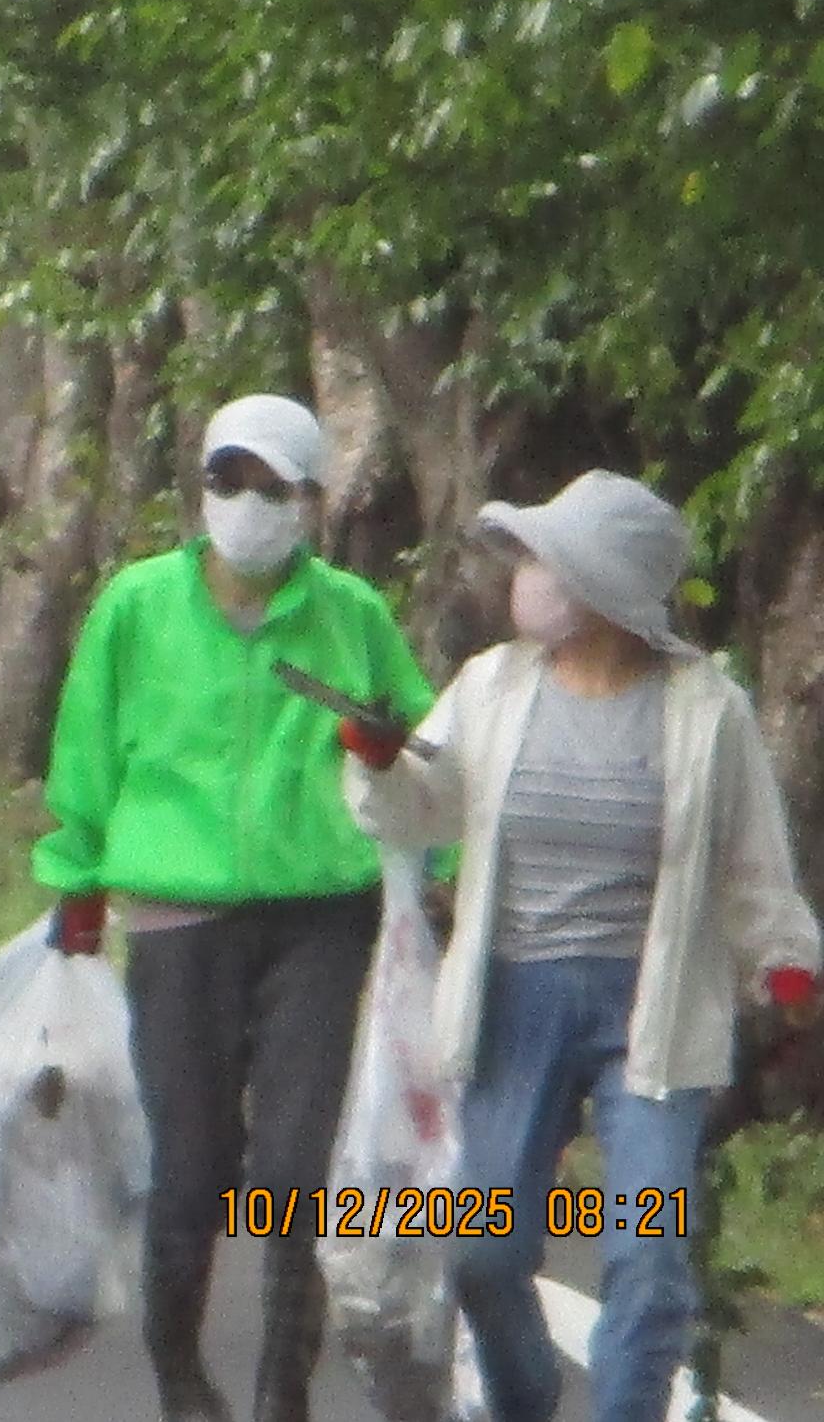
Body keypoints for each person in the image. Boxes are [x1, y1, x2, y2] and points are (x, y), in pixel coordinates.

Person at [341, 470, 822, 1422]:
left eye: (547, 561)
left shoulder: (705, 711)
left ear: (603, 586)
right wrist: (380, 760)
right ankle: (524, 1394)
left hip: (652, 1010)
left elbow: (754, 867)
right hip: (515, 999)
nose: (527, 577)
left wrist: (790, 972)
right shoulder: (493, 687)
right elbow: (420, 810)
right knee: (482, 1251)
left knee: (647, 1252)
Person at [36, 394, 438, 1422]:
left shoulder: (351, 616)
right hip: (177, 914)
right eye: (225, 480)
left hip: (320, 916)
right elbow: (85, 751)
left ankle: (277, 1393)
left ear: (310, 501)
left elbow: (433, 766)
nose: (243, 505)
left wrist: (416, 824)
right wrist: (73, 882)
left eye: (268, 486)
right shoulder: (135, 605)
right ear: (199, 487)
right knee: (189, 1168)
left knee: (295, 1167)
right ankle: (178, 1375)